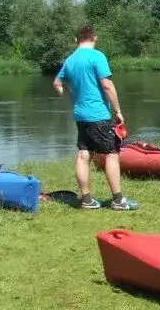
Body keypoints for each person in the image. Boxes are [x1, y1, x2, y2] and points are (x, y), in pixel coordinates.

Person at [52, 24, 138, 210]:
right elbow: (107, 85)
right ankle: (118, 200)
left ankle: (87, 200)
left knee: (84, 154)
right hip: (98, 114)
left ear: (77, 40)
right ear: (95, 38)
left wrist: (70, 95)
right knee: (111, 155)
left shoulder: (70, 60)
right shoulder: (97, 56)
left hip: (80, 115)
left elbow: (57, 84)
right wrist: (117, 111)